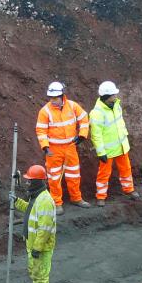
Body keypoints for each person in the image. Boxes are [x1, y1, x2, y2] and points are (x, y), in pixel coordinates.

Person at [35, 81, 91, 214]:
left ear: (62, 96)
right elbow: (41, 131)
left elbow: (84, 119)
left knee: (74, 174)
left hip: (71, 147)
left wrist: (82, 135)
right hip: (54, 149)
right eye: (51, 98)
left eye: (55, 98)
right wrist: (45, 147)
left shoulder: (73, 106)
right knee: (54, 177)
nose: (53, 100)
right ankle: (57, 203)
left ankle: (76, 198)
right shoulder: (45, 111)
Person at [10, 165, 57, 283]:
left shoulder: (45, 201)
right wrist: (16, 201)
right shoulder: (36, 197)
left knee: (41, 275)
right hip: (32, 244)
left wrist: (37, 248)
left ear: (37, 181)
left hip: (40, 247)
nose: (27, 183)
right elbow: (29, 209)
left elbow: (45, 229)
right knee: (35, 272)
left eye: (30, 180)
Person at [89, 81, 141, 207]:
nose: (116, 97)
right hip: (107, 151)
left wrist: (125, 143)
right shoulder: (96, 113)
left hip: (122, 146)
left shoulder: (117, 106)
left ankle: (129, 189)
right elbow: (96, 135)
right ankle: (101, 196)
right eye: (114, 95)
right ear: (107, 97)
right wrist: (101, 152)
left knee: (126, 169)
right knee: (104, 173)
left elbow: (120, 125)